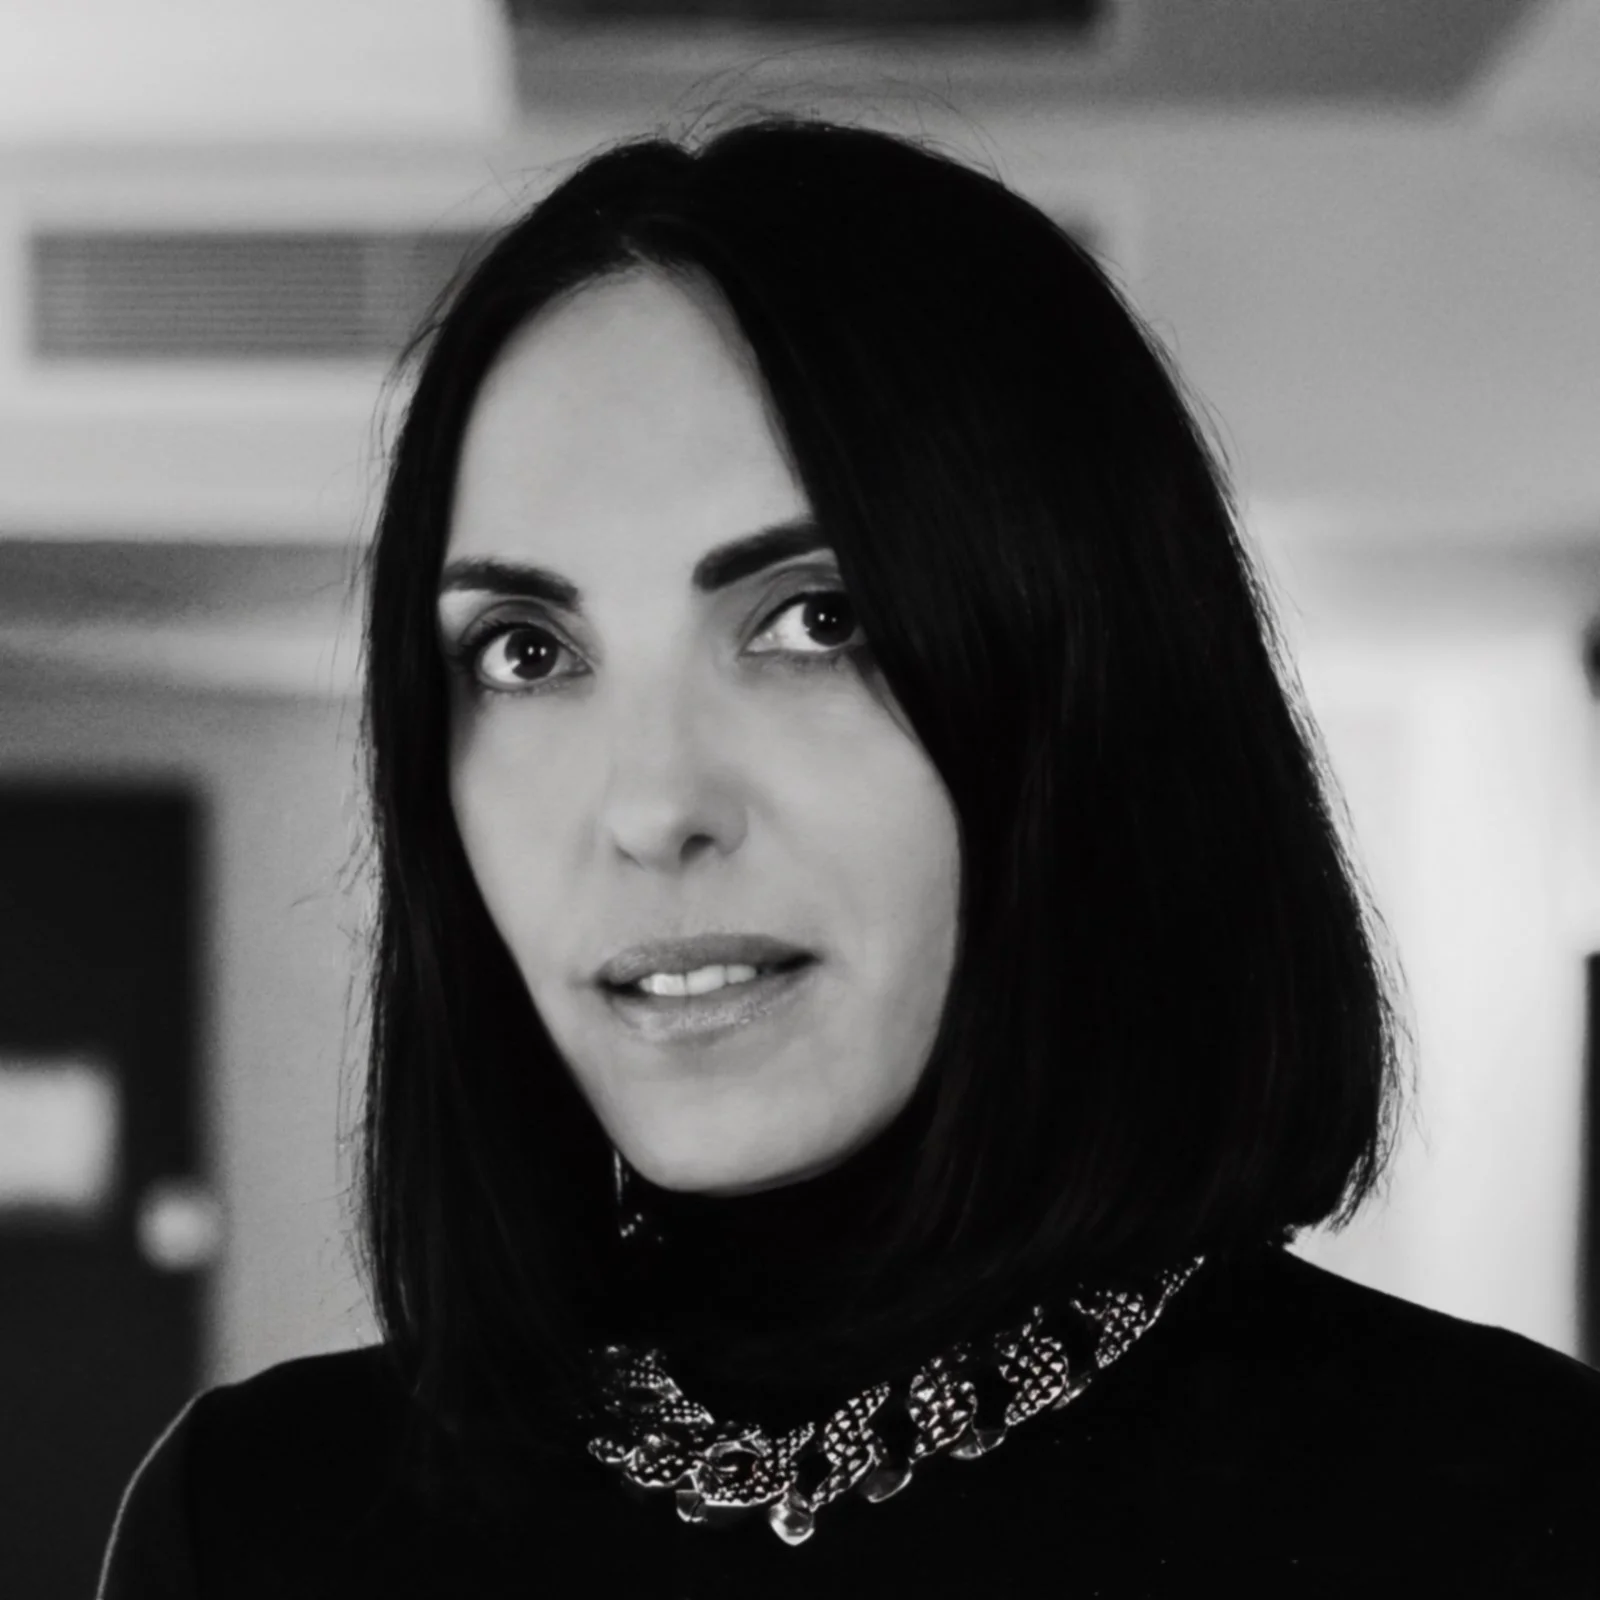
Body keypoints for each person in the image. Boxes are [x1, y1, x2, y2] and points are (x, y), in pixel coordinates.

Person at [98, 110, 1600, 1597]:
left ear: (1089, 688)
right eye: (526, 651)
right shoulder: (257, 1522)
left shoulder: (1514, 1507)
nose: (651, 806)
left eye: (816, 620)